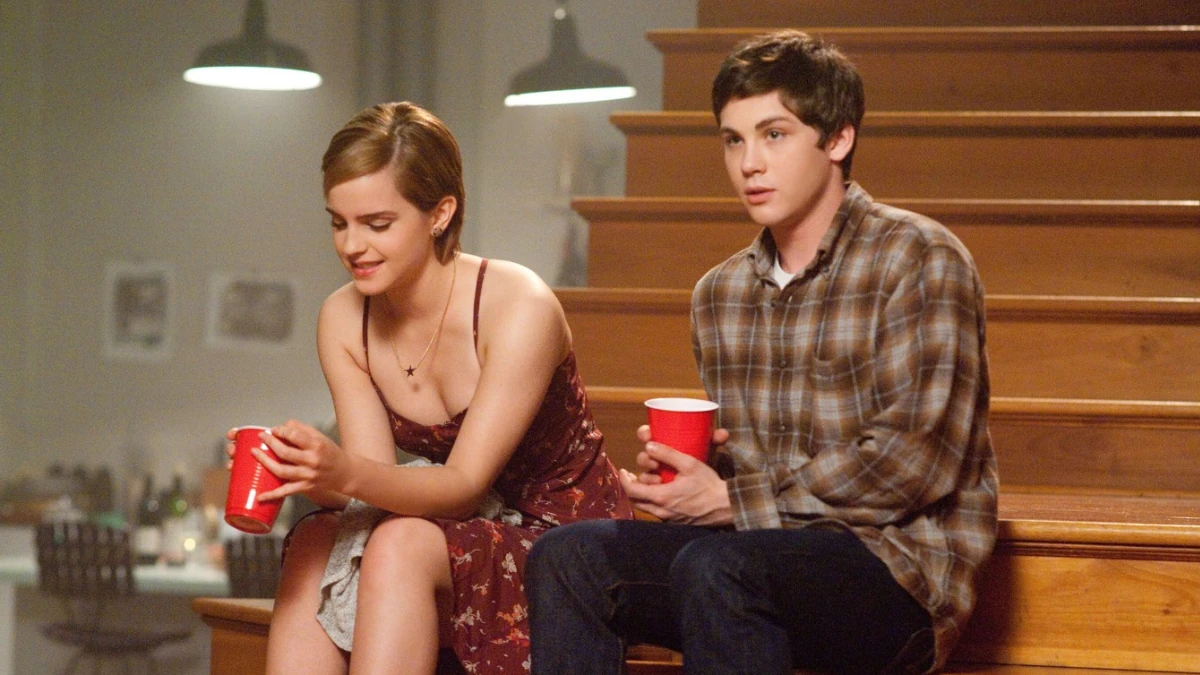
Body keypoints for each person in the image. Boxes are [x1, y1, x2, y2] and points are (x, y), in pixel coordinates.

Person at [526, 30, 997, 675]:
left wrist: (730, 500)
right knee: (568, 557)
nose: (749, 163)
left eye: (774, 134)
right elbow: (752, 470)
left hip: (895, 574)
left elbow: (915, 462)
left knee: (719, 567)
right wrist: (691, 476)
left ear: (838, 139)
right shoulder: (719, 294)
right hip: (748, 560)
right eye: (733, 139)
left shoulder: (918, 257)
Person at [229, 101, 632, 675]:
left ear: (440, 213)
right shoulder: (343, 318)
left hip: (562, 542)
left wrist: (342, 471)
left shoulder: (517, 305)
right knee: (315, 538)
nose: (352, 246)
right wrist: (303, 473)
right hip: (449, 527)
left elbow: (464, 487)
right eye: (339, 223)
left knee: (399, 546)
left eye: (377, 224)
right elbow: (373, 479)